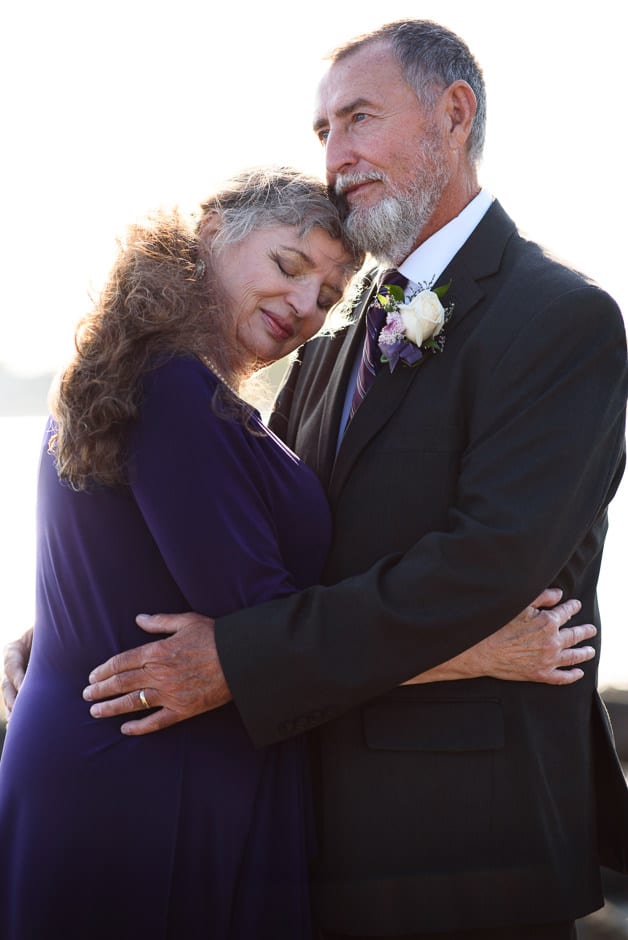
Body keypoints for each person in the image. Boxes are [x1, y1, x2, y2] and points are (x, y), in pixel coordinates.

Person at [4, 20, 627, 940]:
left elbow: (490, 566)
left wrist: (233, 660)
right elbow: (247, 536)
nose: (336, 155)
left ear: (454, 114)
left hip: (461, 839)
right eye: (323, 131)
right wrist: (74, 624)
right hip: (308, 826)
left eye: (358, 118)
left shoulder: (561, 318)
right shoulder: (337, 342)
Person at [0, 167, 363, 940]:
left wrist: (52, 636)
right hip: (145, 794)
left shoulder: (148, 370)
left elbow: (115, 558)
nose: (305, 306)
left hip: (104, 766)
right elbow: (265, 626)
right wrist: (471, 648)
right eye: (289, 267)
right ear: (211, 237)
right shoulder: (175, 391)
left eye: (329, 297)